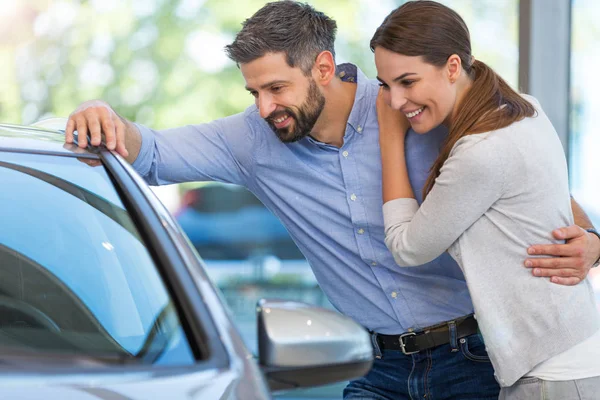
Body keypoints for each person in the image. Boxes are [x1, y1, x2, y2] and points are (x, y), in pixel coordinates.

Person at [64, 2, 600, 398]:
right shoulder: (253, 140)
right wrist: (100, 115)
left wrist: (594, 242)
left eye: (276, 89)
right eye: (253, 92)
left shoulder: (416, 108)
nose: (265, 107)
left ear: (323, 67)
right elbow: (152, 151)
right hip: (377, 370)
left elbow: (523, 182)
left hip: (476, 357)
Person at [373, 1, 600, 399]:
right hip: (568, 358)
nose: (394, 102)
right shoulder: (524, 111)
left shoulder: (480, 150)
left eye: (407, 82)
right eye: (385, 86)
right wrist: (593, 238)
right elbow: (551, 194)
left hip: (551, 374)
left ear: (453, 67)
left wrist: (389, 138)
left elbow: (408, 248)